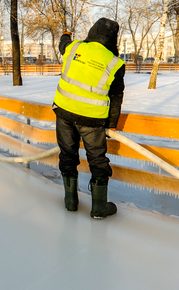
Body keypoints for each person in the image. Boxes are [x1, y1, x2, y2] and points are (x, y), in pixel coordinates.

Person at [53, 18, 125, 219]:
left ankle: (70, 202)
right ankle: (99, 208)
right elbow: (116, 97)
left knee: (67, 155)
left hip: (64, 112)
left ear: (93, 31)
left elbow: (62, 44)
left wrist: (66, 34)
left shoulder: (75, 47)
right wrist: (111, 125)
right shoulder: (115, 62)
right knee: (97, 160)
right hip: (93, 120)